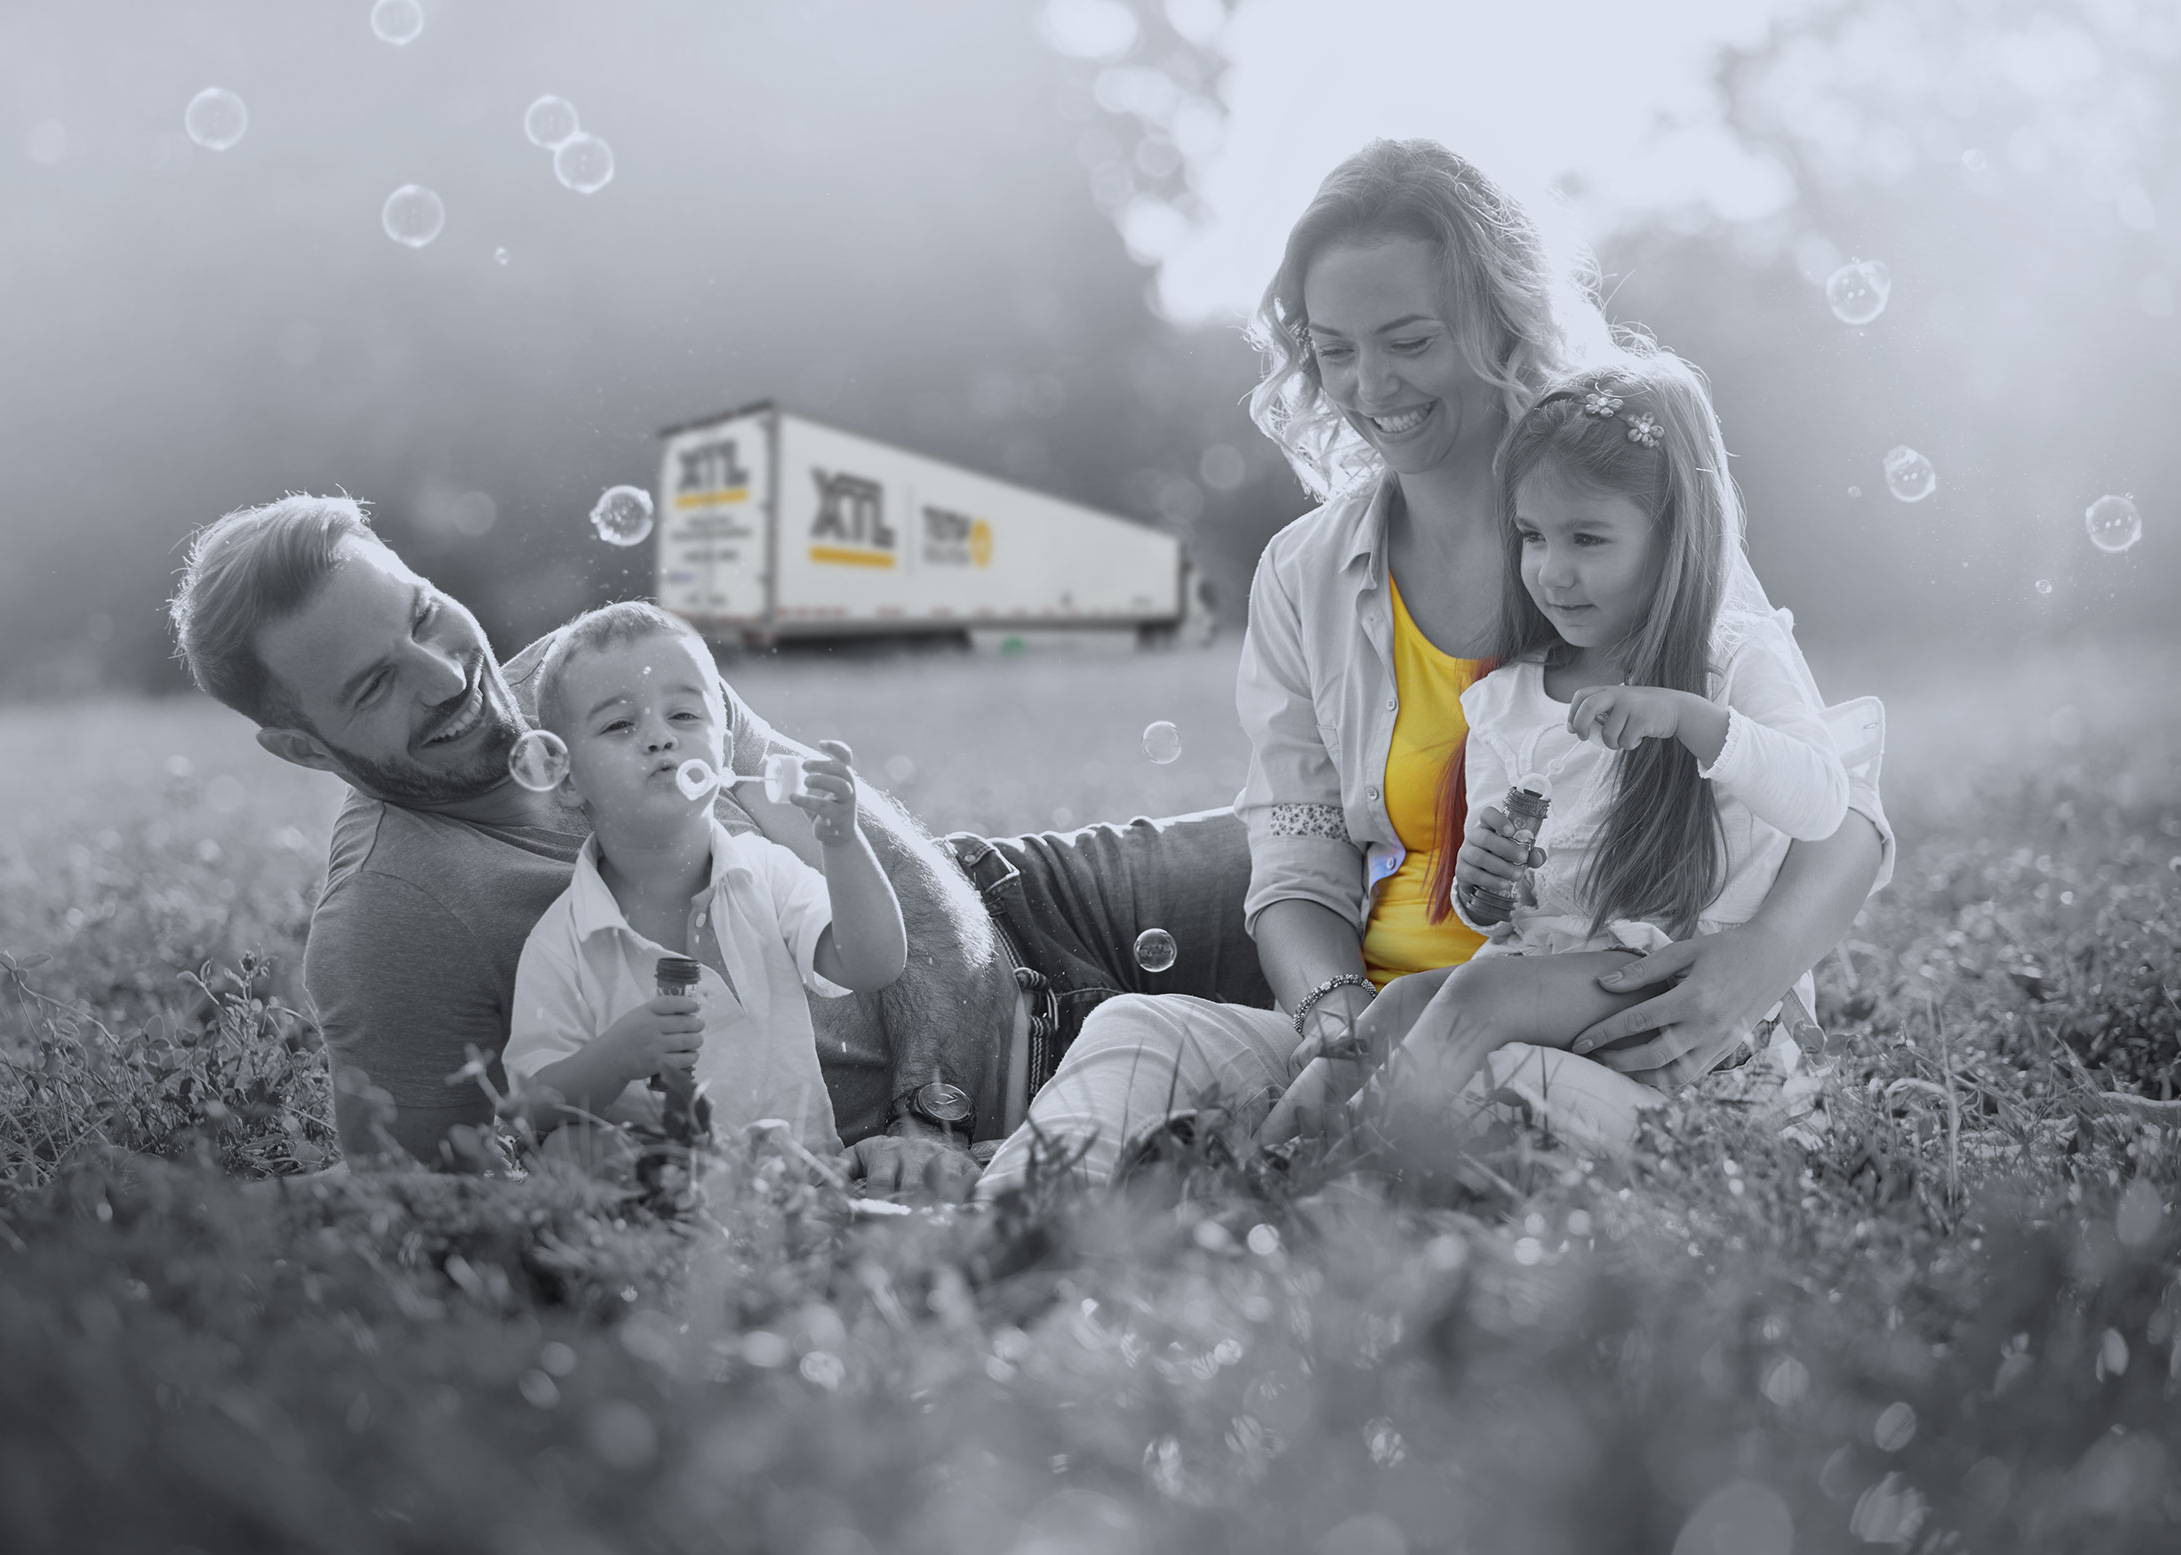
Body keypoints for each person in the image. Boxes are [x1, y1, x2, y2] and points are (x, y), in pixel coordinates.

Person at [978, 139, 1894, 1196]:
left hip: (1606, 1038)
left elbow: (1844, 807)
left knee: (1473, 1085)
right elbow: (1295, 852)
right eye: (1332, 350)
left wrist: (1753, 965)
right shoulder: (1308, 572)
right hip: (1392, 1030)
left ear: (1497, 320)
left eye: (1407, 339)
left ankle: (1267, 1206)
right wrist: (1331, 1023)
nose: (1369, 387)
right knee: (1140, 1029)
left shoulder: (1626, 519)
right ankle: (1009, 1227)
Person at [163, 496, 1274, 1193]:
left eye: (419, 614)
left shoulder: (598, 669)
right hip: (1042, 1078)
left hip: (1024, 902)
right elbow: (431, 1188)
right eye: (372, 684)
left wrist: (933, 1112)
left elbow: (872, 854)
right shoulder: (395, 920)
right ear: (303, 748)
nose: (446, 674)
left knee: (1354, 846)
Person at [1267, 354, 1855, 1150]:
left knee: (1478, 997)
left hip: (1685, 1007)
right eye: (1533, 536)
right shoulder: (1509, 700)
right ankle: (1261, 1158)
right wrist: (1484, 883)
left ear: (1675, 534)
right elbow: (1504, 916)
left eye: (1588, 538)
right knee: (1400, 1005)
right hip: (1558, 988)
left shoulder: (1735, 659)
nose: (1552, 571)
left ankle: (1358, 1168)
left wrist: (1685, 717)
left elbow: (1822, 801)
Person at [502, 602, 905, 1164]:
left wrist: (843, 844)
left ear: (724, 746)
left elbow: (874, 962)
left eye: (685, 716)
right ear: (567, 781)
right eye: (620, 724)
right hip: (660, 1200)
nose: (659, 739)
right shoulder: (564, 940)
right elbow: (529, 1106)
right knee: (575, 1149)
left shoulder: (765, 873)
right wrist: (615, 1058)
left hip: (796, 1184)